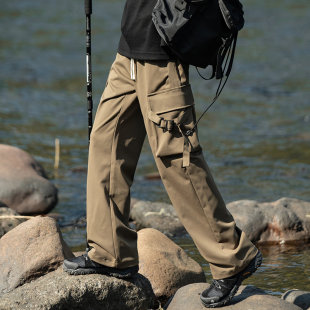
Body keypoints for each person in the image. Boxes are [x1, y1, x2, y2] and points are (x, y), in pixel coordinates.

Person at [63, 0, 262, 308]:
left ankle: (233, 258)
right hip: (129, 50)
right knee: (105, 144)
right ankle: (110, 251)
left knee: (178, 162)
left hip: (161, 55)